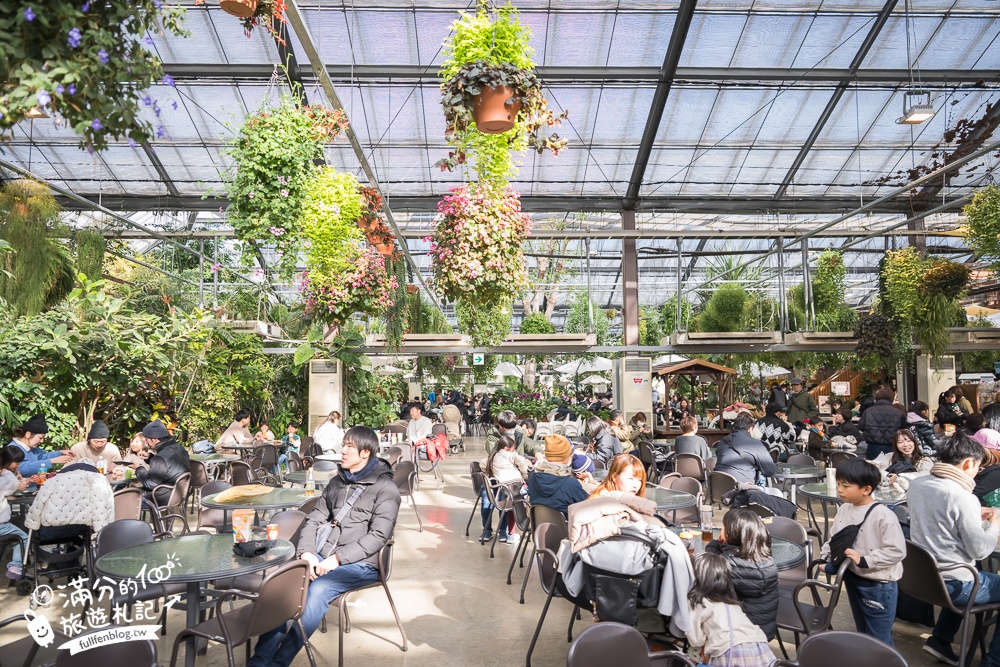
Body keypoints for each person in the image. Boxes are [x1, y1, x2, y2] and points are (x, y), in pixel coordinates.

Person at [248, 426, 400, 667]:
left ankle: (279, 662)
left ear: (365, 453)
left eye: (350, 446)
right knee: (285, 585)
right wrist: (306, 552)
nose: (344, 450)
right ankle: (259, 662)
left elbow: (379, 536)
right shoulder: (337, 482)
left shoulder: (385, 489)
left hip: (362, 564)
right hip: (322, 555)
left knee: (318, 590)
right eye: (344, 444)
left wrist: (338, 559)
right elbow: (314, 518)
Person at [909, 434, 1000, 665]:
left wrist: (972, 516)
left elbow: (941, 520)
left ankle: (940, 640)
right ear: (968, 463)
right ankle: (992, 661)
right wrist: (995, 523)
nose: (977, 472)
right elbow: (980, 550)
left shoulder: (917, 484)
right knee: (974, 568)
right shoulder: (962, 496)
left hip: (923, 579)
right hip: (954, 584)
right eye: (978, 467)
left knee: (971, 568)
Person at [816, 458, 906, 645]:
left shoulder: (883, 516)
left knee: (878, 637)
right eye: (839, 484)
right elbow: (835, 538)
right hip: (853, 577)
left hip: (878, 584)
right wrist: (825, 557)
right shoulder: (844, 508)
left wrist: (865, 560)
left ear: (866, 489)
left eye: (846, 486)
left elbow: (897, 551)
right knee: (863, 630)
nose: (839, 489)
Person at [685, 552, 776, 667]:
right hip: (761, 646)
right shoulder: (731, 601)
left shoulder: (697, 601)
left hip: (729, 650)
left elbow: (696, 640)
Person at [704, 508, 779, 640]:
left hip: (737, 635)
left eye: (723, 526)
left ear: (731, 533)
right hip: (764, 631)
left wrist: (714, 544)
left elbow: (711, 567)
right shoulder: (767, 560)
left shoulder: (728, 565)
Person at [478, 435, 529, 544]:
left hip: (498, 486)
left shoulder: (492, 456)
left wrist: (491, 471)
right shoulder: (509, 455)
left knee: (489, 499)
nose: (514, 451)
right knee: (508, 502)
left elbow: (482, 464)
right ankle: (503, 532)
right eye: (513, 449)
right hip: (513, 487)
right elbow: (522, 461)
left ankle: (486, 532)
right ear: (506, 448)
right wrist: (524, 474)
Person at [527, 434, 588, 515]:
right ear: (566, 457)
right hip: (566, 526)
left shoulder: (532, 477)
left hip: (539, 525)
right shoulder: (570, 484)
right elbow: (588, 505)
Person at [134, 420, 190, 506]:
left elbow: (150, 483)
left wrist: (139, 468)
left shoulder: (160, 458)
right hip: (178, 495)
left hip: (160, 498)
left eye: (147, 439)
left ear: (155, 439)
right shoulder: (179, 448)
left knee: (128, 501)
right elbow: (169, 466)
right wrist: (149, 458)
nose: (146, 442)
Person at [714, 414, 775, 486]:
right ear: (750, 429)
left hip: (718, 488)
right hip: (743, 490)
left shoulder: (723, 441)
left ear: (734, 427)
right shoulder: (756, 444)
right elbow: (770, 471)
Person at [6, 415, 73, 477]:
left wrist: (60, 453)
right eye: (40, 438)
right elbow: (21, 469)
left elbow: (44, 456)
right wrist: (51, 461)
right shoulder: (13, 449)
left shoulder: (33, 449)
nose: (42, 441)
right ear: (28, 434)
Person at [0, 446, 29, 579]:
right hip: (1, 525)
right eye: (16, 463)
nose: (18, 466)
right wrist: (6, 472)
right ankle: (16, 566)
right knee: (23, 538)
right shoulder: (5, 478)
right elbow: (12, 484)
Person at [859, 387, 908, 460]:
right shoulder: (898, 413)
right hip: (893, 447)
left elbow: (861, 427)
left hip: (873, 447)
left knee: (873, 468)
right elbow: (904, 428)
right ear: (891, 398)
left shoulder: (868, 411)